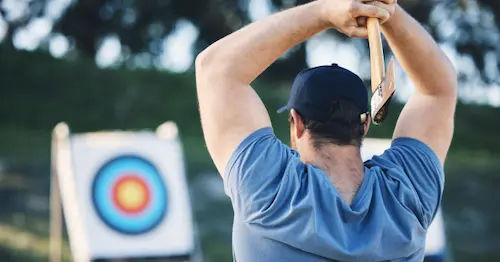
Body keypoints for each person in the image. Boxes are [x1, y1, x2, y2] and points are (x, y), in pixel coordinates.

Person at [195, 0, 457, 260]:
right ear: (364, 125)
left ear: (296, 122)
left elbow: (215, 69)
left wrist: (324, 12)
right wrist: (387, 10)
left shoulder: (271, 187)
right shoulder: (408, 194)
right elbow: (439, 89)